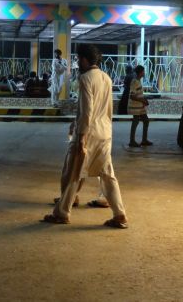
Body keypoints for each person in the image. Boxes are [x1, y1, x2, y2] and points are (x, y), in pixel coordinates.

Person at [43, 43, 128, 228]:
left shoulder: (85, 78)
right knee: (107, 175)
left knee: (73, 172)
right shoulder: (106, 78)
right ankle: (119, 214)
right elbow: (105, 109)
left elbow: (87, 110)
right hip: (104, 132)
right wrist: (76, 122)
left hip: (88, 133)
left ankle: (62, 213)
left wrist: (80, 137)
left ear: (84, 59)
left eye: (77, 58)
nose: (77, 62)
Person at [128, 65, 152, 147]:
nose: (144, 73)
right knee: (136, 121)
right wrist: (143, 100)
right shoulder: (134, 82)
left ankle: (144, 140)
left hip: (140, 106)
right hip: (136, 106)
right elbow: (132, 96)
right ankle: (132, 141)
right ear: (140, 72)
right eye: (143, 72)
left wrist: (144, 100)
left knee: (146, 120)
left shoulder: (138, 81)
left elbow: (139, 94)